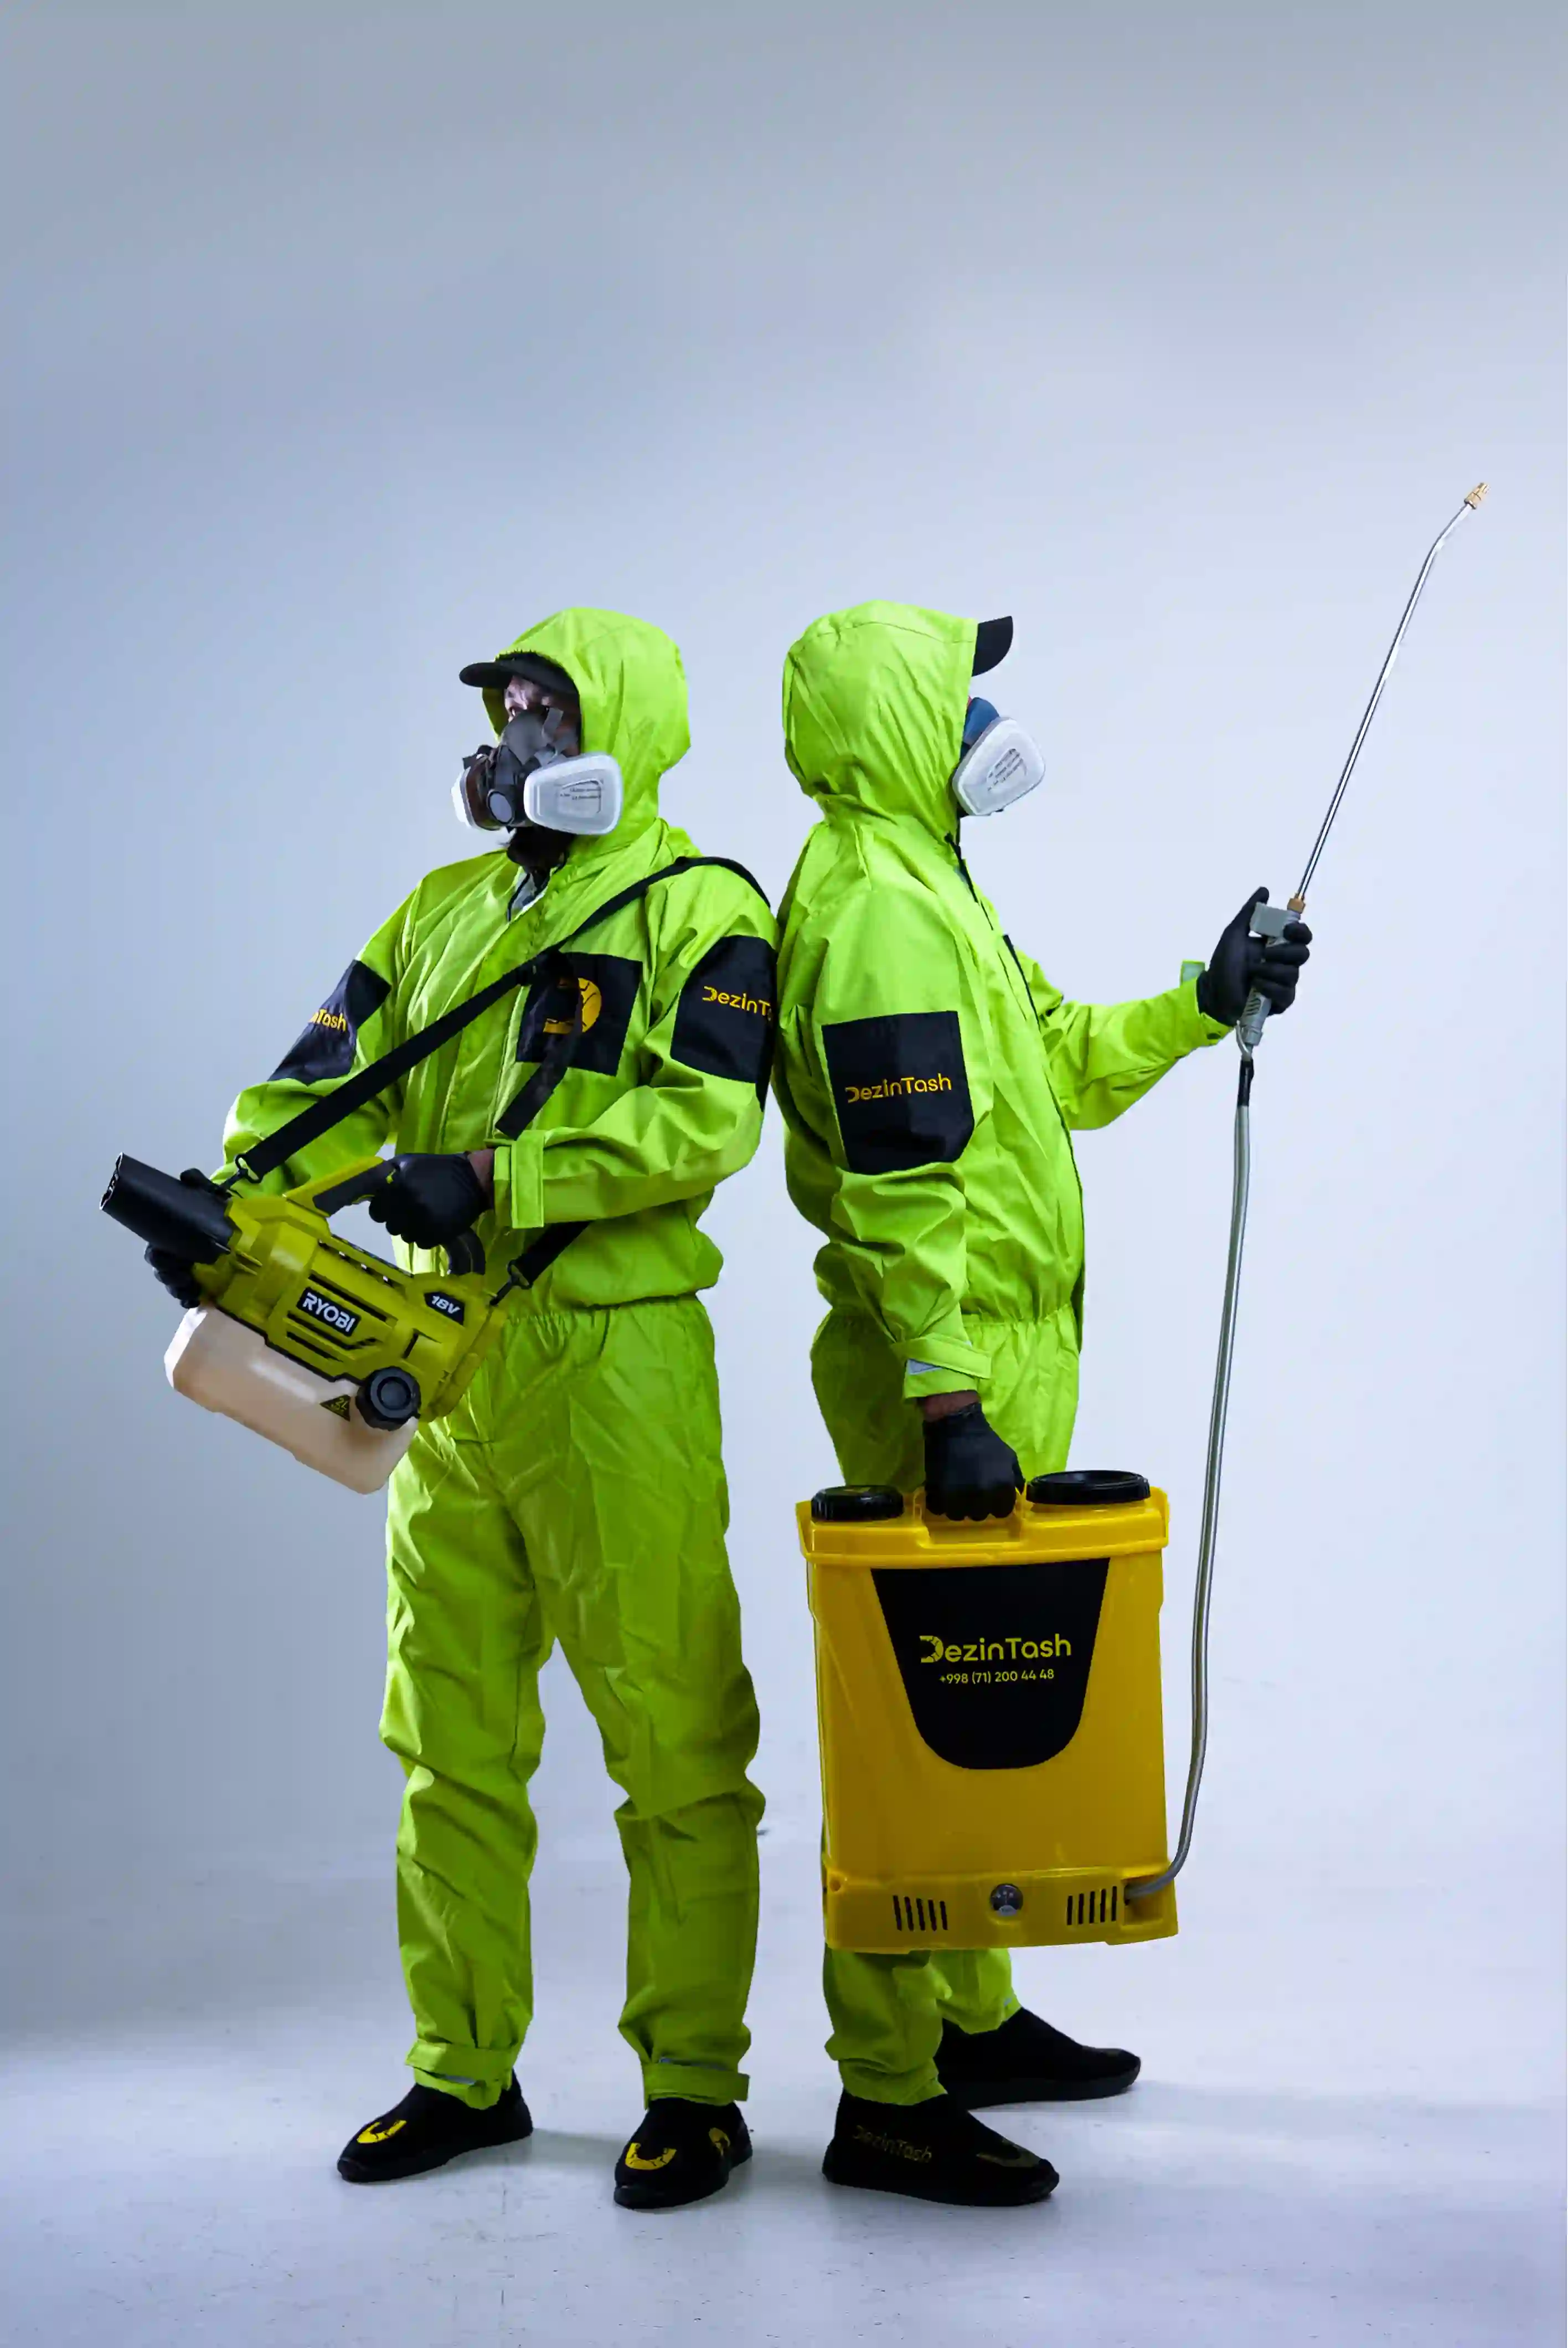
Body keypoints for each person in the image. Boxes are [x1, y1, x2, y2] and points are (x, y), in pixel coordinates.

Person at [148, 610, 777, 2210]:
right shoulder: (435, 914)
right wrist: (232, 1219)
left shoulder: (702, 909)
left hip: (615, 1363)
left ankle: (695, 2089)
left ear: (620, 727)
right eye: (506, 708)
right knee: (449, 1745)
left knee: (673, 1741)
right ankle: (463, 2072)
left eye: (547, 707)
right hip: (446, 1367)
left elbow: (707, 1120)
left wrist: (502, 1176)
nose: (514, 737)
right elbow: (317, 1084)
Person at [771, 600, 1310, 2206]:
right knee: (919, 1726)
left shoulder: (934, 884)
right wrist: (948, 1398)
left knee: (988, 1708)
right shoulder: (878, 910)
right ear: (895, 724)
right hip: (947, 1364)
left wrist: (1205, 999)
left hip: (996, 1352)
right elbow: (902, 1179)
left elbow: (1059, 1063)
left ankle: (971, 2016)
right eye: (960, 701)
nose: (985, 729)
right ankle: (886, 2092)